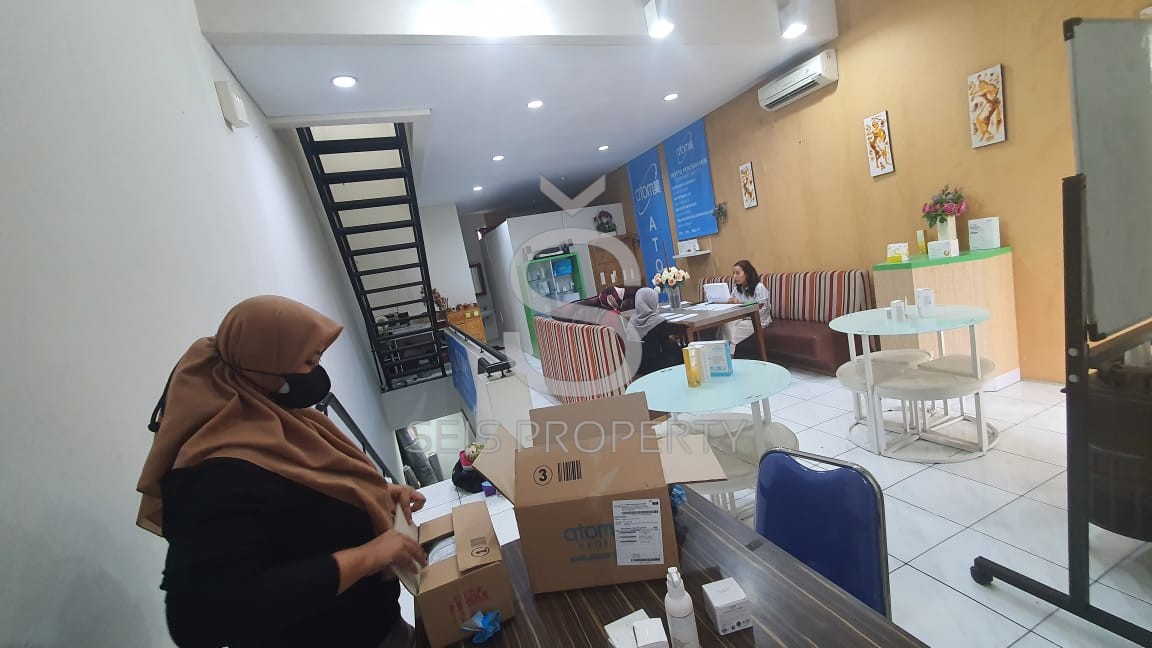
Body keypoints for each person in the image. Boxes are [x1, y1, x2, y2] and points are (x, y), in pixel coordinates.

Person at [136, 295, 428, 648]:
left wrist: (375, 496)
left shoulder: (284, 421)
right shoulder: (215, 475)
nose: (317, 373)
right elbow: (201, 619)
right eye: (309, 361)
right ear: (263, 363)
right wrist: (369, 557)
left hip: (380, 627)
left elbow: (308, 497)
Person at [626, 287, 684, 376]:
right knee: (679, 350)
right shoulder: (658, 321)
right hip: (655, 365)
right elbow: (666, 345)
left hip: (637, 365)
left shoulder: (632, 320)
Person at [720, 259, 772, 347]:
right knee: (725, 325)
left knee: (730, 329)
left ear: (747, 274)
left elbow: (763, 309)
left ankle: (727, 352)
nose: (734, 276)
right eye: (733, 273)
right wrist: (730, 303)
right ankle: (724, 351)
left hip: (758, 320)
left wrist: (741, 308)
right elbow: (731, 305)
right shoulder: (737, 288)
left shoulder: (759, 287)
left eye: (737, 273)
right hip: (741, 318)